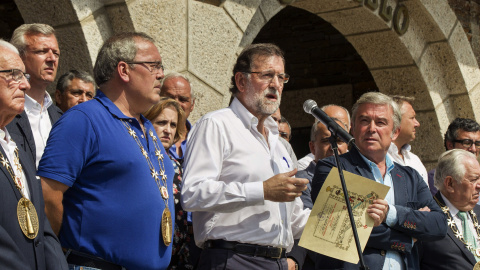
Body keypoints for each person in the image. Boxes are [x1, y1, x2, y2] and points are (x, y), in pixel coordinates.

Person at [38, 32, 175, 270]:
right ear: (124, 70)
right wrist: (56, 255)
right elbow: (49, 195)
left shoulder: (148, 126)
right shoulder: (84, 119)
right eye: (153, 66)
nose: (161, 74)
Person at [181, 43, 310, 270]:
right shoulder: (217, 124)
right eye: (267, 75)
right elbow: (193, 193)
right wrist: (263, 190)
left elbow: (295, 219)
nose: (276, 85)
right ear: (241, 81)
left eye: (281, 77)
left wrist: (350, 221)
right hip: (233, 259)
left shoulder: (280, 146)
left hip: (278, 262)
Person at [311, 92, 447, 269]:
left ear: (395, 132)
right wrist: (407, 239)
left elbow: (438, 224)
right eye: (364, 121)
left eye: (381, 122)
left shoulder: (410, 177)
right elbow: (342, 227)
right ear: (352, 128)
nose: (372, 128)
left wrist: (392, 214)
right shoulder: (333, 168)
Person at [0, 39, 67, 270]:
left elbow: (42, 227)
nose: (25, 86)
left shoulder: (16, 147)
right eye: (14, 74)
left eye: (24, 76)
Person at [287, 104, 351, 270]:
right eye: (325, 141)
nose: (333, 147)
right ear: (312, 147)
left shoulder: (358, 178)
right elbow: (315, 232)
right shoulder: (301, 182)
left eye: (339, 141)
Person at [145, 97, 196, 269]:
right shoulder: (138, 159)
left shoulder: (177, 166)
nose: (168, 130)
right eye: (161, 123)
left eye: (173, 125)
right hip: (143, 256)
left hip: (177, 258)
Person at [7, 23, 63, 168]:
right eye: (42, 51)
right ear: (19, 57)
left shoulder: (59, 116)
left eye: (56, 53)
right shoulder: (5, 113)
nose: (52, 59)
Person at [419, 149, 480, 269]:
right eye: (473, 179)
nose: (479, 185)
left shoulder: (478, 212)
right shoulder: (427, 218)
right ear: (450, 184)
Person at [428, 118, 480, 195]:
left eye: (477, 144)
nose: (473, 149)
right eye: (467, 143)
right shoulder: (436, 177)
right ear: (450, 145)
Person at [388, 96, 428, 186]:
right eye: (412, 118)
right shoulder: (378, 159)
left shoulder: (414, 160)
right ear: (396, 120)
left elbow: (426, 198)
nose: (417, 124)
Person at [160, 72, 195, 163]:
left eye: (183, 99)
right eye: (169, 97)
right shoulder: (145, 134)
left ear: (192, 105)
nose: (176, 104)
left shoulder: (199, 139)